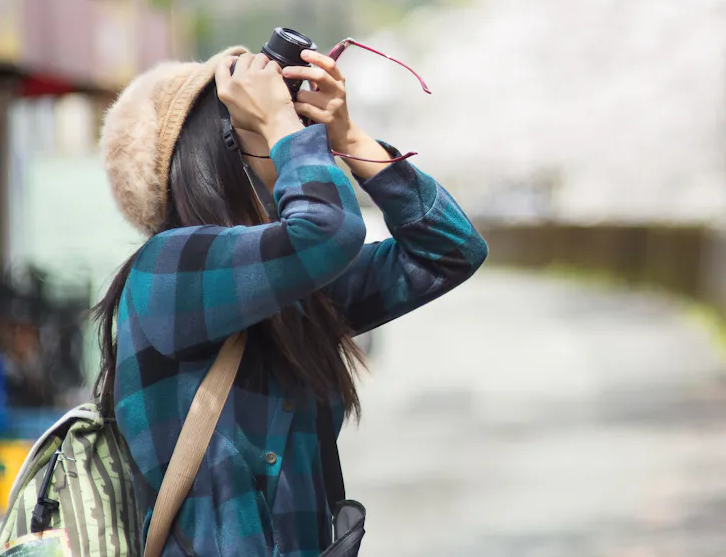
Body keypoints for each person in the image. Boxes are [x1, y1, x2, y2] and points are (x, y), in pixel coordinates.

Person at [92, 45, 488, 556]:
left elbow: (451, 250)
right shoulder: (167, 269)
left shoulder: (290, 292)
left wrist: (349, 137)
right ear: (213, 153)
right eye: (259, 120)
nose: (294, 136)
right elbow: (329, 230)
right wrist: (282, 124)